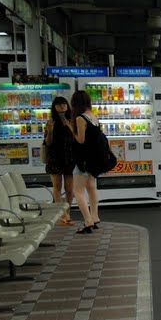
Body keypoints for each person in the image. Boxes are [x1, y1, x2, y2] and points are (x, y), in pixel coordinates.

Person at [70, 89, 101, 234]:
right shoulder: (93, 116)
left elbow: (80, 140)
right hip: (95, 157)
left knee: (78, 191)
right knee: (91, 187)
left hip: (84, 159)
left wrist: (71, 129)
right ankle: (95, 217)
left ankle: (88, 221)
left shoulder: (80, 118)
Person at [44, 95, 76, 226]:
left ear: (67, 106)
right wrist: (50, 131)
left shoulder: (72, 120)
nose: (61, 106)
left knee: (70, 188)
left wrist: (71, 126)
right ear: (54, 107)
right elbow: (47, 142)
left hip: (70, 157)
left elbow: (78, 138)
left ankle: (67, 211)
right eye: (58, 104)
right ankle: (62, 214)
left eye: (64, 104)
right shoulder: (51, 121)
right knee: (57, 187)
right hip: (55, 157)